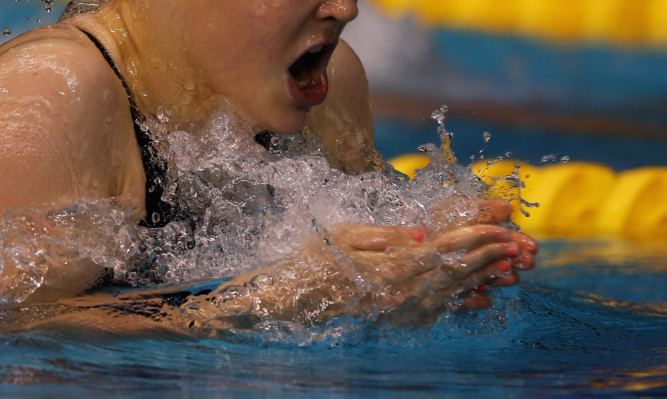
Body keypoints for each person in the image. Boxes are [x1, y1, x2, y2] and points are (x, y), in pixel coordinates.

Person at [0, 0, 537, 330]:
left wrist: (425, 253)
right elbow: (22, 326)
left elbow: (353, 263)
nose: (345, 9)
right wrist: (265, 302)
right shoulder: (51, 95)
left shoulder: (328, 88)